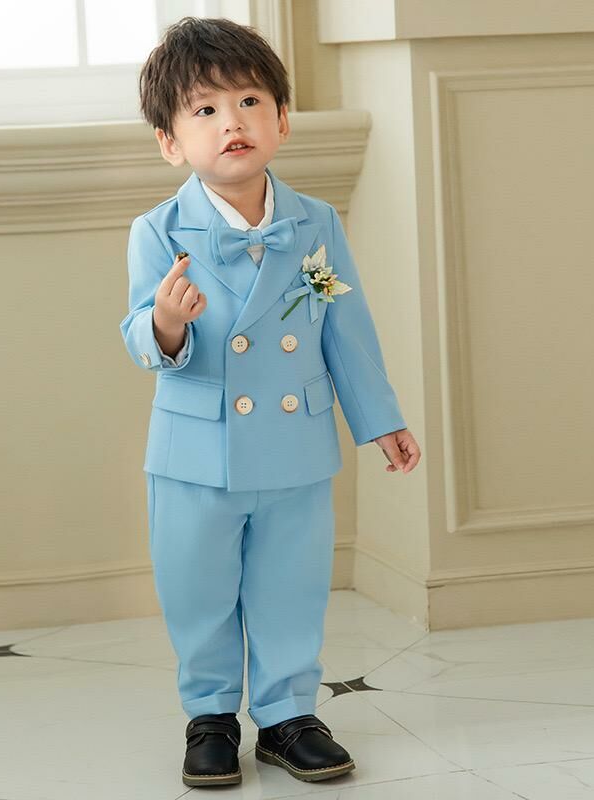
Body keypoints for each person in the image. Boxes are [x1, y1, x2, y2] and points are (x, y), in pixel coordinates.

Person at [120, 15, 421, 788]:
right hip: (197, 453)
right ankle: (211, 717)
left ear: (282, 120)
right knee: (198, 590)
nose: (233, 122)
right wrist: (167, 321)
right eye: (206, 109)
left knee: (292, 586)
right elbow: (140, 337)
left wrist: (380, 418)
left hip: (296, 445)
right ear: (170, 142)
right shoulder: (157, 231)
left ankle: (289, 716)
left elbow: (344, 326)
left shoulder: (315, 224)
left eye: (250, 101)